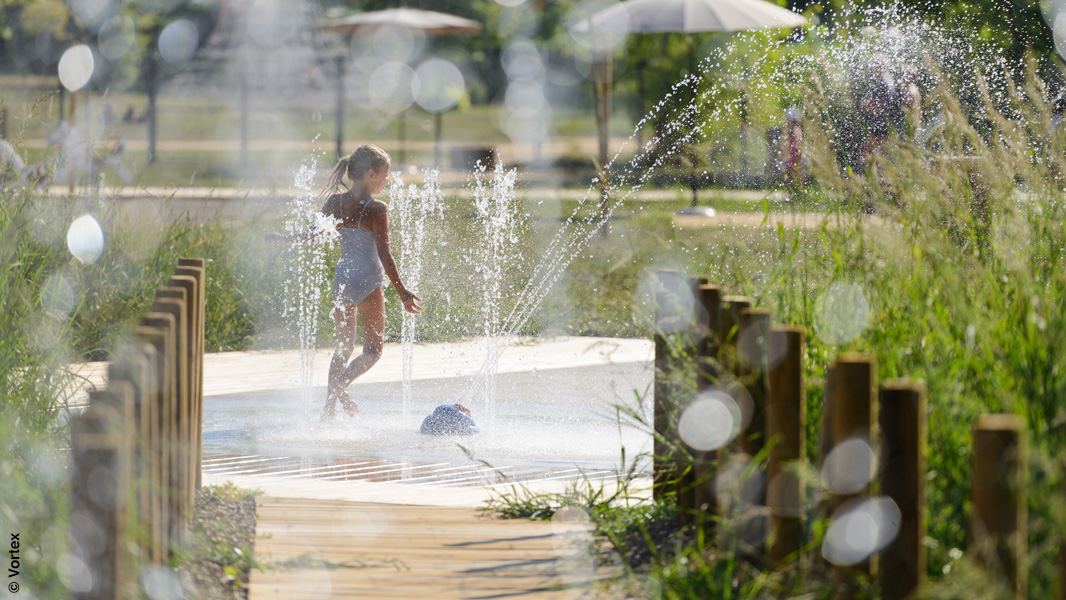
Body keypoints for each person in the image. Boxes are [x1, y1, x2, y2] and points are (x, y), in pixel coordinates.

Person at [266, 144, 422, 420]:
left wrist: (282, 239)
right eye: (385, 175)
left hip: (342, 280)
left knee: (343, 347)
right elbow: (385, 256)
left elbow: (310, 235)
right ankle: (340, 385)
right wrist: (403, 292)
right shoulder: (377, 208)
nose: (388, 180)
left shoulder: (335, 203)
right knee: (373, 351)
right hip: (369, 280)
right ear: (370, 174)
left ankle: (328, 410)